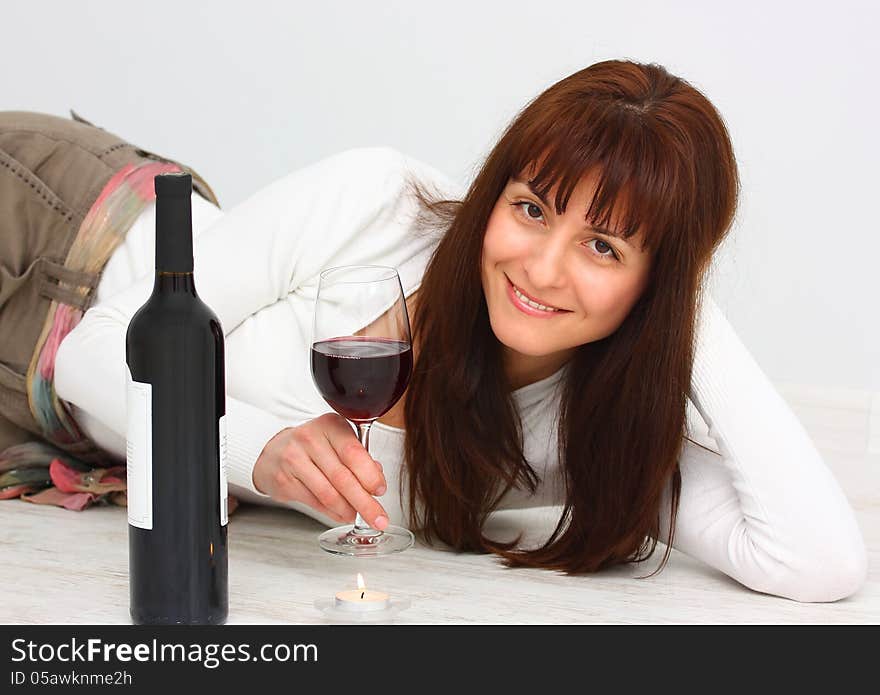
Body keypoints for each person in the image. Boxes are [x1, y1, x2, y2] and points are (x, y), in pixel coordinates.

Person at [2, 60, 867, 603]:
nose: (542, 267)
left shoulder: (589, 438)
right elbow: (90, 353)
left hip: (27, 418)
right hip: (60, 236)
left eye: (603, 244)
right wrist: (257, 448)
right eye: (531, 208)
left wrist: (684, 304)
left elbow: (820, 563)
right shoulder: (378, 202)